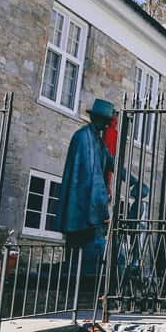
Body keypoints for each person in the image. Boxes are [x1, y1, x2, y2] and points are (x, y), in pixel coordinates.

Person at [59, 98, 115, 277]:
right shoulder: (83, 137)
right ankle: (71, 272)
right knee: (77, 239)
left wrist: (133, 180)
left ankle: (78, 271)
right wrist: (102, 203)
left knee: (88, 244)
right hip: (81, 201)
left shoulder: (98, 141)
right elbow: (93, 175)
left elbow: (113, 163)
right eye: (105, 122)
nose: (106, 126)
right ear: (96, 118)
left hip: (91, 201)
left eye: (108, 123)